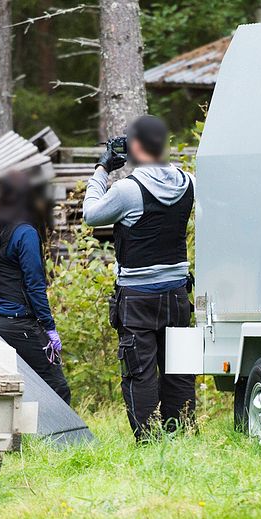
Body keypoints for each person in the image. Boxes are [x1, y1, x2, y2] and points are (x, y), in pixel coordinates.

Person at [83, 115, 196, 440]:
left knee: (140, 372)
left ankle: (149, 440)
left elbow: (91, 214)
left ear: (134, 147)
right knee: (178, 369)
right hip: (177, 294)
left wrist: (102, 169)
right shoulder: (189, 182)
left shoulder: (126, 190)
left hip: (136, 297)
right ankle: (181, 433)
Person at [0, 172, 71, 404]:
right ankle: (61, 440)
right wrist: (49, 328)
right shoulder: (26, 233)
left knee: (6, 384)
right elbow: (35, 285)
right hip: (22, 324)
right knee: (58, 387)